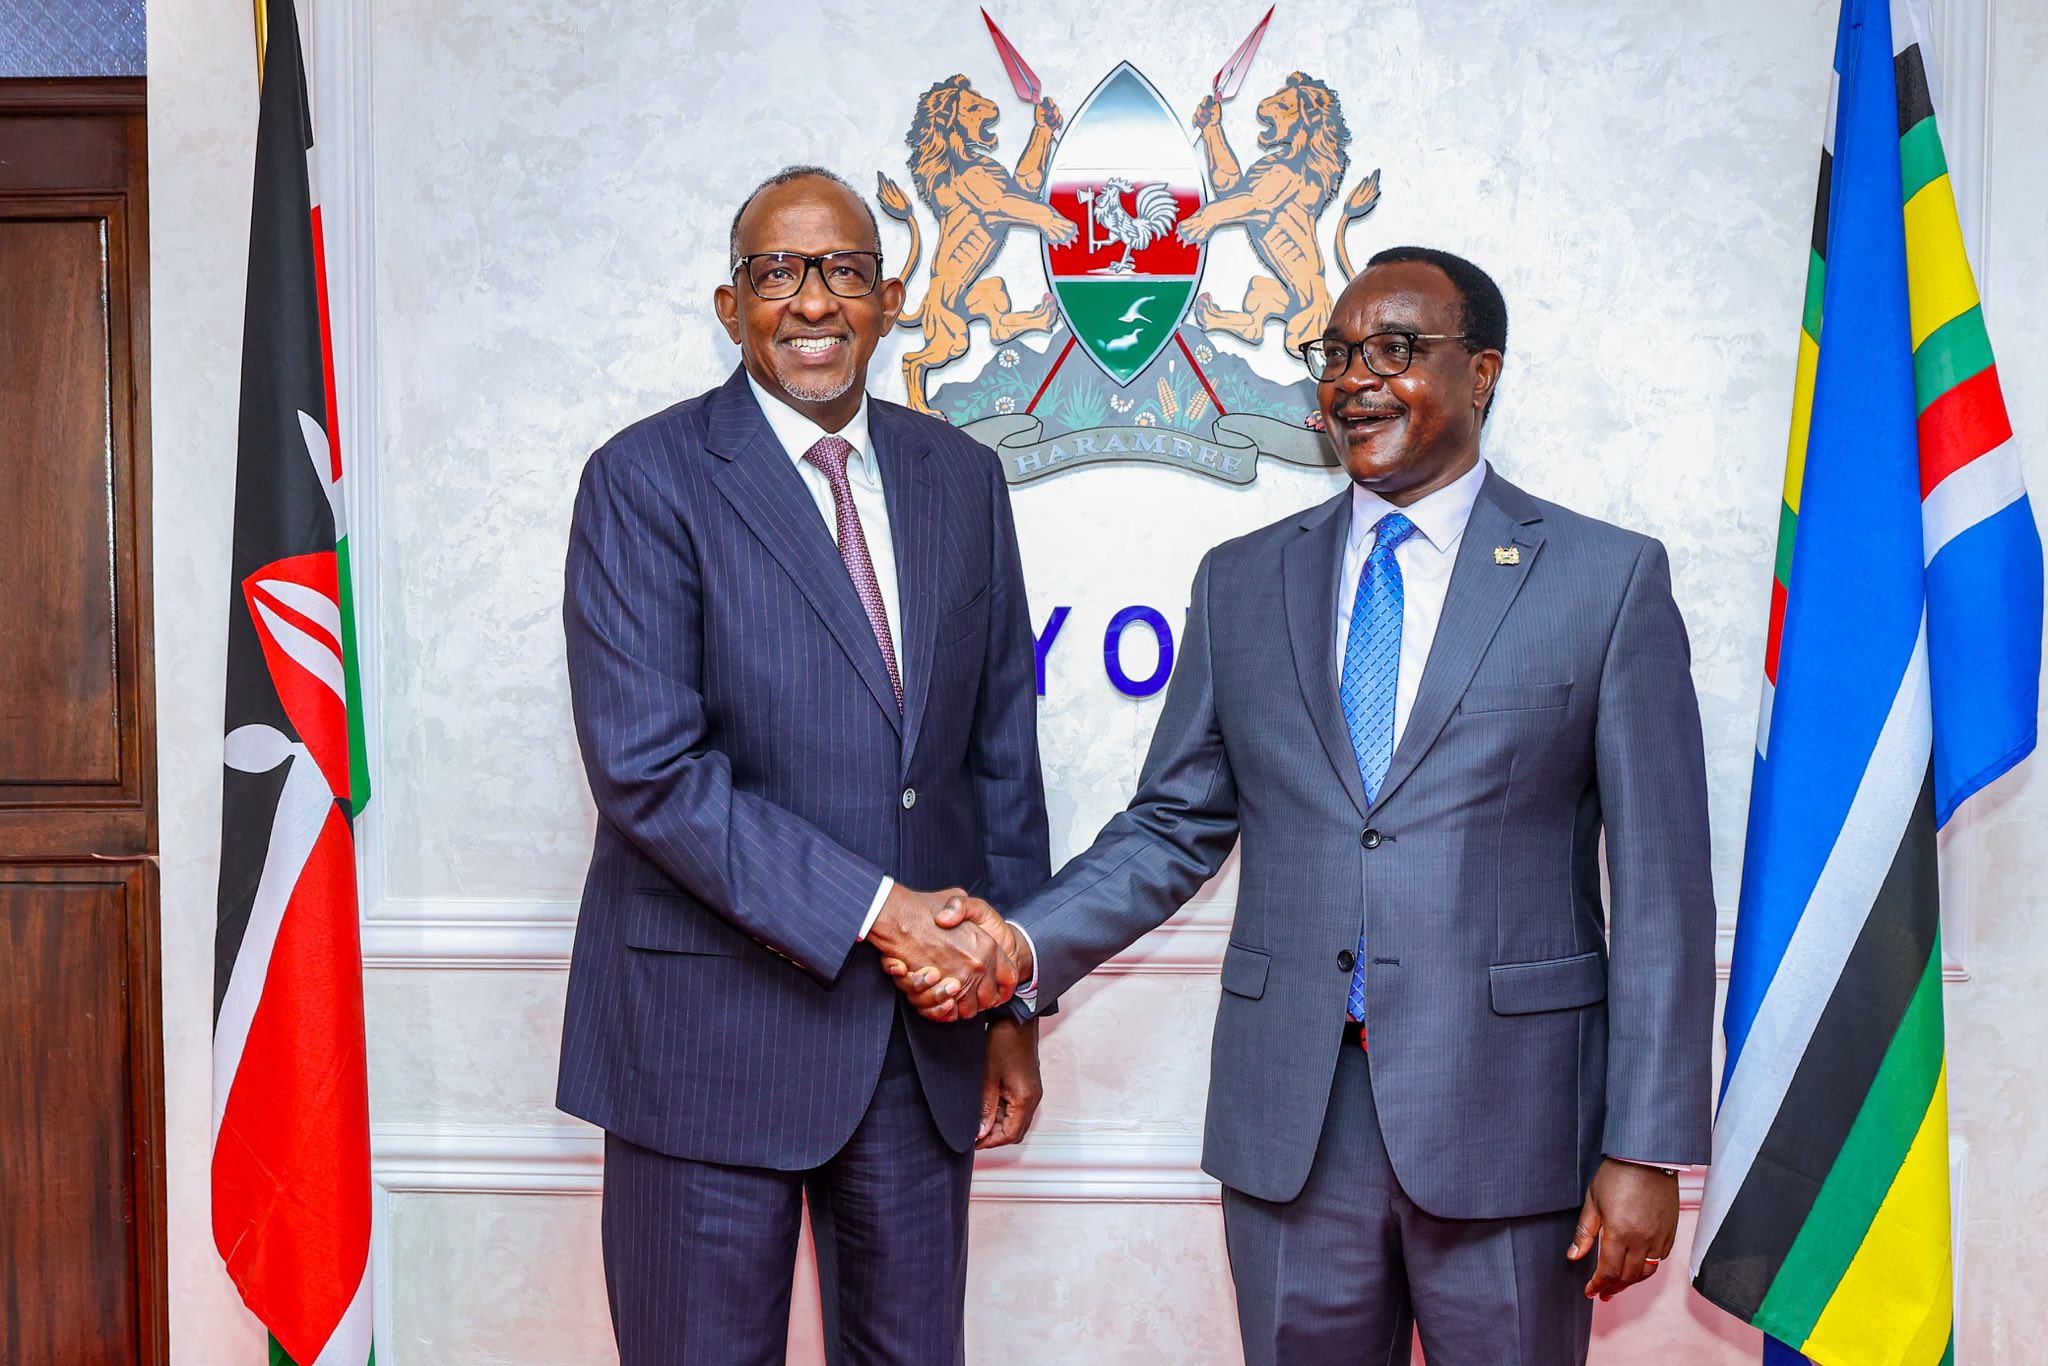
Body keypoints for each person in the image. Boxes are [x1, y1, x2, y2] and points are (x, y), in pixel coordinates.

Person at [902, 247, 1716, 1364]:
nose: (1354, 378)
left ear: (1480, 373)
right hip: (1292, 1121)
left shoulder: (1603, 579)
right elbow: (1169, 825)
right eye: (1334, 353)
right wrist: (1015, 944)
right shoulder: (1241, 580)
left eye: (1394, 348)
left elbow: (1664, 887)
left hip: (1516, 1126)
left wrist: (1646, 1145)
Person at [557, 165, 1049, 1365]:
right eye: (777, 272)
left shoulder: (960, 478)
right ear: (732, 307)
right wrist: (885, 913)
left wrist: (1009, 1000)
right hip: (704, 1042)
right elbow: (649, 772)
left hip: (917, 1050)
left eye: (842, 271)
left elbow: (997, 753)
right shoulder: (644, 479)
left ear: (890, 302)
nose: (812, 301)